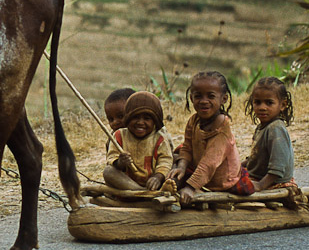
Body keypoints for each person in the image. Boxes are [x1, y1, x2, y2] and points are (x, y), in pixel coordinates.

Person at [169, 71, 254, 206]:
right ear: (191, 98)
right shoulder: (194, 120)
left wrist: (191, 187)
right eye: (198, 96)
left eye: (211, 96)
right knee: (173, 163)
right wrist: (182, 167)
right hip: (202, 174)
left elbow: (210, 163)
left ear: (223, 99)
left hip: (221, 181)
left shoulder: (222, 127)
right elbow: (187, 148)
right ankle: (167, 188)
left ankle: (190, 191)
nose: (204, 101)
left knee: (185, 187)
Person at [103, 91, 173, 191]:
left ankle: (147, 193)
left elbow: (165, 161)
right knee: (108, 171)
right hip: (127, 184)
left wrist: (158, 177)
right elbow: (111, 158)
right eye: (135, 117)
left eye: (147, 118)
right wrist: (120, 162)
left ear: (155, 121)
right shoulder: (119, 135)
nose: (140, 122)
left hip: (153, 184)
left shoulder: (160, 138)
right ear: (128, 118)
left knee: (173, 171)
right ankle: (141, 192)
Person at [242, 77, 296, 191]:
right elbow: (256, 158)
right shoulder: (263, 127)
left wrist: (260, 185)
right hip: (259, 178)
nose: (262, 107)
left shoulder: (275, 128)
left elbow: (278, 167)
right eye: (257, 102)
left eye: (269, 103)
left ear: (282, 105)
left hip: (271, 183)